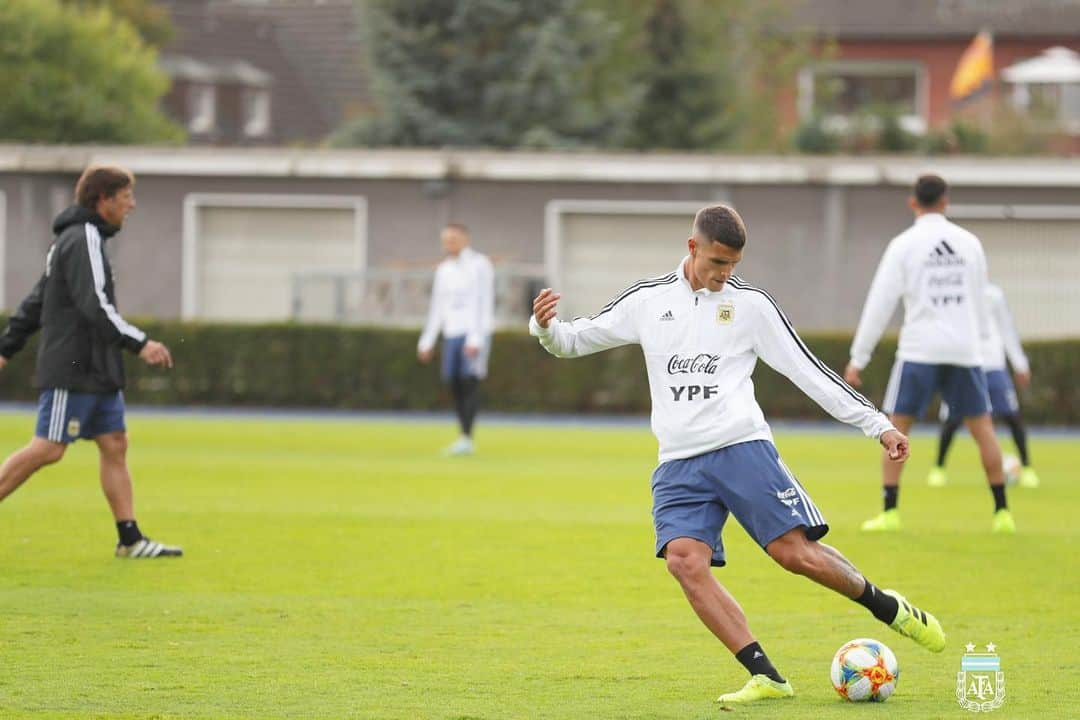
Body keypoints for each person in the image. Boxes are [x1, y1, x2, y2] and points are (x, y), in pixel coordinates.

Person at [529, 205, 945, 705]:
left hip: (741, 446)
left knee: (793, 554)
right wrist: (546, 328)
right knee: (684, 562)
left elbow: (809, 373)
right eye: (716, 262)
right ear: (692, 248)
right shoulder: (648, 301)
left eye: (732, 265)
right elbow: (573, 341)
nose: (724, 274)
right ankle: (766, 676)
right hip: (678, 461)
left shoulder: (751, 306)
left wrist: (878, 424)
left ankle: (888, 608)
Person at [0, 165, 181, 559]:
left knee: (115, 444)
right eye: (126, 196)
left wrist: (5, 347)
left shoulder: (83, 238)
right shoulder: (82, 238)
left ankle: (130, 539)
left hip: (98, 368)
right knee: (48, 448)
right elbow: (94, 305)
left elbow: (37, 299)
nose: (132, 205)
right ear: (104, 200)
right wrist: (140, 342)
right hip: (74, 367)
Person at [844, 174, 1014, 534]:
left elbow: (880, 302)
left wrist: (859, 357)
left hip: (920, 349)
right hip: (965, 351)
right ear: (946, 201)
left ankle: (890, 512)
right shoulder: (970, 244)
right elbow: (981, 300)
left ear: (912, 202)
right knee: (983, 431)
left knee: (895, 427)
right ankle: (1002, 513)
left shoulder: (904, 245)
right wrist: (982, 345)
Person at [929, 283, 1039, 488]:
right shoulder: (953, 294)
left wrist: (1020, 363)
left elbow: (1007, 330)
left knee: (1011, 416)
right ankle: (938, 468)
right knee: (952, 419)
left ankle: (1027, 468)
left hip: (993, 365)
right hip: (963, 364)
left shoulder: (993, 295)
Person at [417, 222, 495, 456]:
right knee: (453, 383)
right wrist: (427, 340)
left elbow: (484, 301)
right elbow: (437, 307)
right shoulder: (444, 270)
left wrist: (476, 338)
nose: (448, 244)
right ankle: (463, 435)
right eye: (445, 240)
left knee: (469, 382)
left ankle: (467, 437)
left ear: (464, 239)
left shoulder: (480, 265)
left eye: (452, 239)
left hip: (474, 333)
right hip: (452, 333)